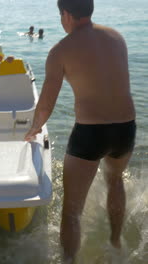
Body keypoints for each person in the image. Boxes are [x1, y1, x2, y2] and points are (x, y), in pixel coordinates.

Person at [24, 0, 136, 262]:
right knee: (115, 181)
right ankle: (115, 243)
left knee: (72, 211)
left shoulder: (60, 50)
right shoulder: (117, 37)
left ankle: (69, 261)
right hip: (125, 129)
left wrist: (34, 129)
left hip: (90, 133)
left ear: (66, 14)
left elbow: (47, 103)